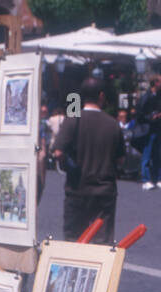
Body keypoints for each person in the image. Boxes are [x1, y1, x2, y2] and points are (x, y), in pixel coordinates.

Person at [51, 76, 125, 244]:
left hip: (77, 190)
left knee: (73, 241)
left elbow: (58, 152)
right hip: (104, 191)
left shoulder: (73, 119)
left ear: (82, 96)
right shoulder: (113, 124)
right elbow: (120, 160)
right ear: (101, 96)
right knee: (102, 243)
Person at [135, 73, 161, 190]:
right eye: (160, 81)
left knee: (157, 155)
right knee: (147, 155)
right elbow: (139, 115)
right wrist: (150, 117)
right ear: (155, 83)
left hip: (157, 129)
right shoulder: (146, 97)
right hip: (148, 130)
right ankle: (146, 180)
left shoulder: (159, 97)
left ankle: (157, 178)